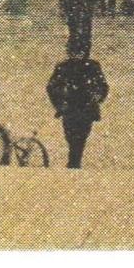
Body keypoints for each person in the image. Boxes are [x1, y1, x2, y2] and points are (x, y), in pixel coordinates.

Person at [46, 36, 110, 169]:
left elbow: (103, 86)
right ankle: (74, 162)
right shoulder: (65, 67)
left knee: (79, 137)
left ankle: (74, 162)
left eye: (79, 52)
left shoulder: (90, 67)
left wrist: (98, 97)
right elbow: (51, 87)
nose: (77, 55)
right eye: (74, 52)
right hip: (71, 107)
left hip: (83, 107)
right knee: (72, 137)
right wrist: (58, 103)